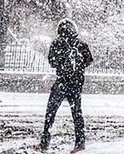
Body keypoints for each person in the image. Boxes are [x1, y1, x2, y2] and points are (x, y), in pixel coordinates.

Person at [35, 19, 93, 152]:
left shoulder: (57, 43)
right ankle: (80, 143)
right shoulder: (81, 44)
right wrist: (78, 67)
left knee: (51, 112)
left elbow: (52, 62)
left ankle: (44, 143)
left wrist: (62, 62)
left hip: (62, 83)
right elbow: (89, 60)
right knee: (77, 113)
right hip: (76, 84)